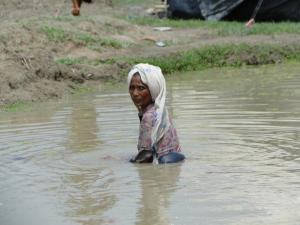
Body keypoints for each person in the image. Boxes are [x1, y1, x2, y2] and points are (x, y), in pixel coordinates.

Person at [128, 63, 185, 164]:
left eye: (141, 88)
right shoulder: (160, 109)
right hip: (174, 162)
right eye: (132, 88)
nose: (135, 93)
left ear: (153, 90)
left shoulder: (148, 116)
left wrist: (124, 163)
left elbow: (147, 155)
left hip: (164, 167)